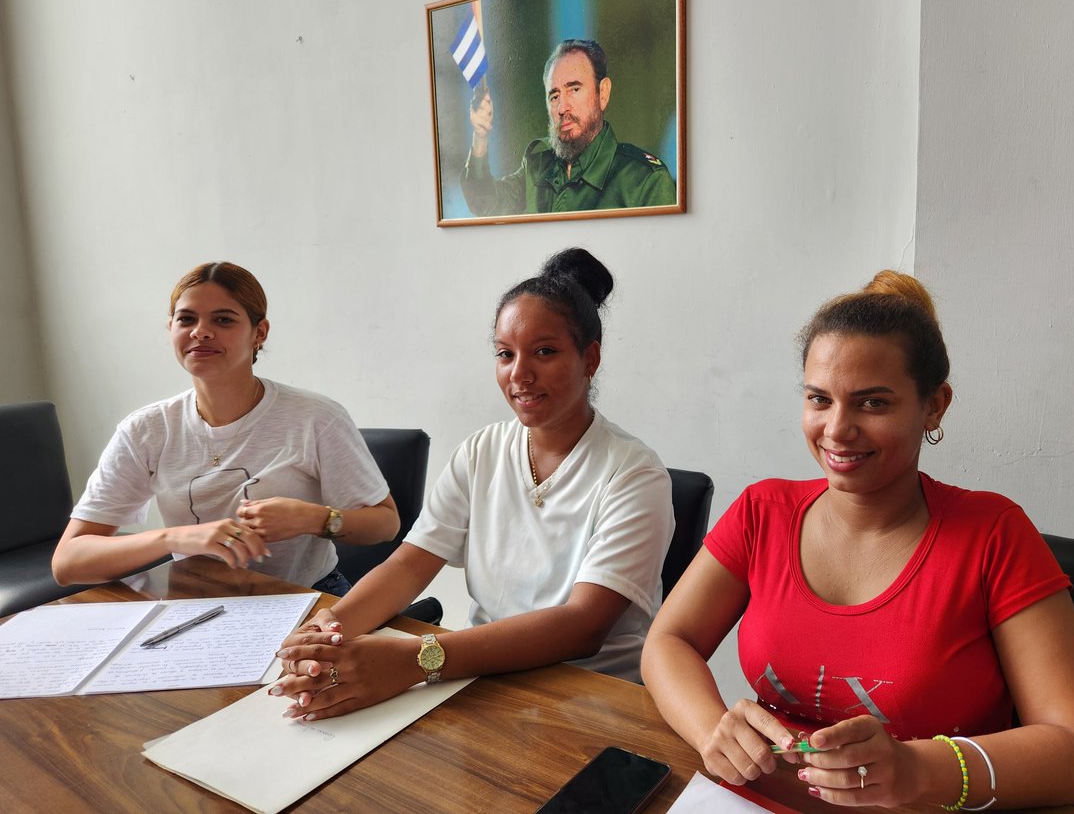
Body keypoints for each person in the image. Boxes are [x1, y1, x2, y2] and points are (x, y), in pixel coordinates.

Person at [642, 272, 1074, 810]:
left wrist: (917, 769)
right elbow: (669, 640)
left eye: (872, 404)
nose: (836, 429)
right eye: (820, 399)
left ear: (934, 405)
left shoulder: (994, 536)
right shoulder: (762, 512)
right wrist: (711, 728)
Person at [271, 248, 674, 721]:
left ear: (590, 358)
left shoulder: (634, 475)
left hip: (592, 701)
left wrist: (417, 659)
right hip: (484, 679)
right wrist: (329, 629)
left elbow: (581, 626)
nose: (519, 374)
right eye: (505, 354)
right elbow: (408, 566)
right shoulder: (482, 450)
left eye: (544, 352)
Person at [52, 262, 400, 596]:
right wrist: (175, 537)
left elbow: (385, 523)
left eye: (223, 319)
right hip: (197, 602)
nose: (200, 332)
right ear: (171, 329)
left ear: (259, 333)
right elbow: (68, 563)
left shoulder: (316, 417)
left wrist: (315, 519)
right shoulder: (145, 429)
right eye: (186, 319)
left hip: (307, 595)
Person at [460, 39, 677, 216]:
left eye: (574, 89)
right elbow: (484, 203)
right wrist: (480, 136)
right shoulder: (537, 165)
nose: (562, 107)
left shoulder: (646, 181)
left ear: (602, 93)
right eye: (554, 96)